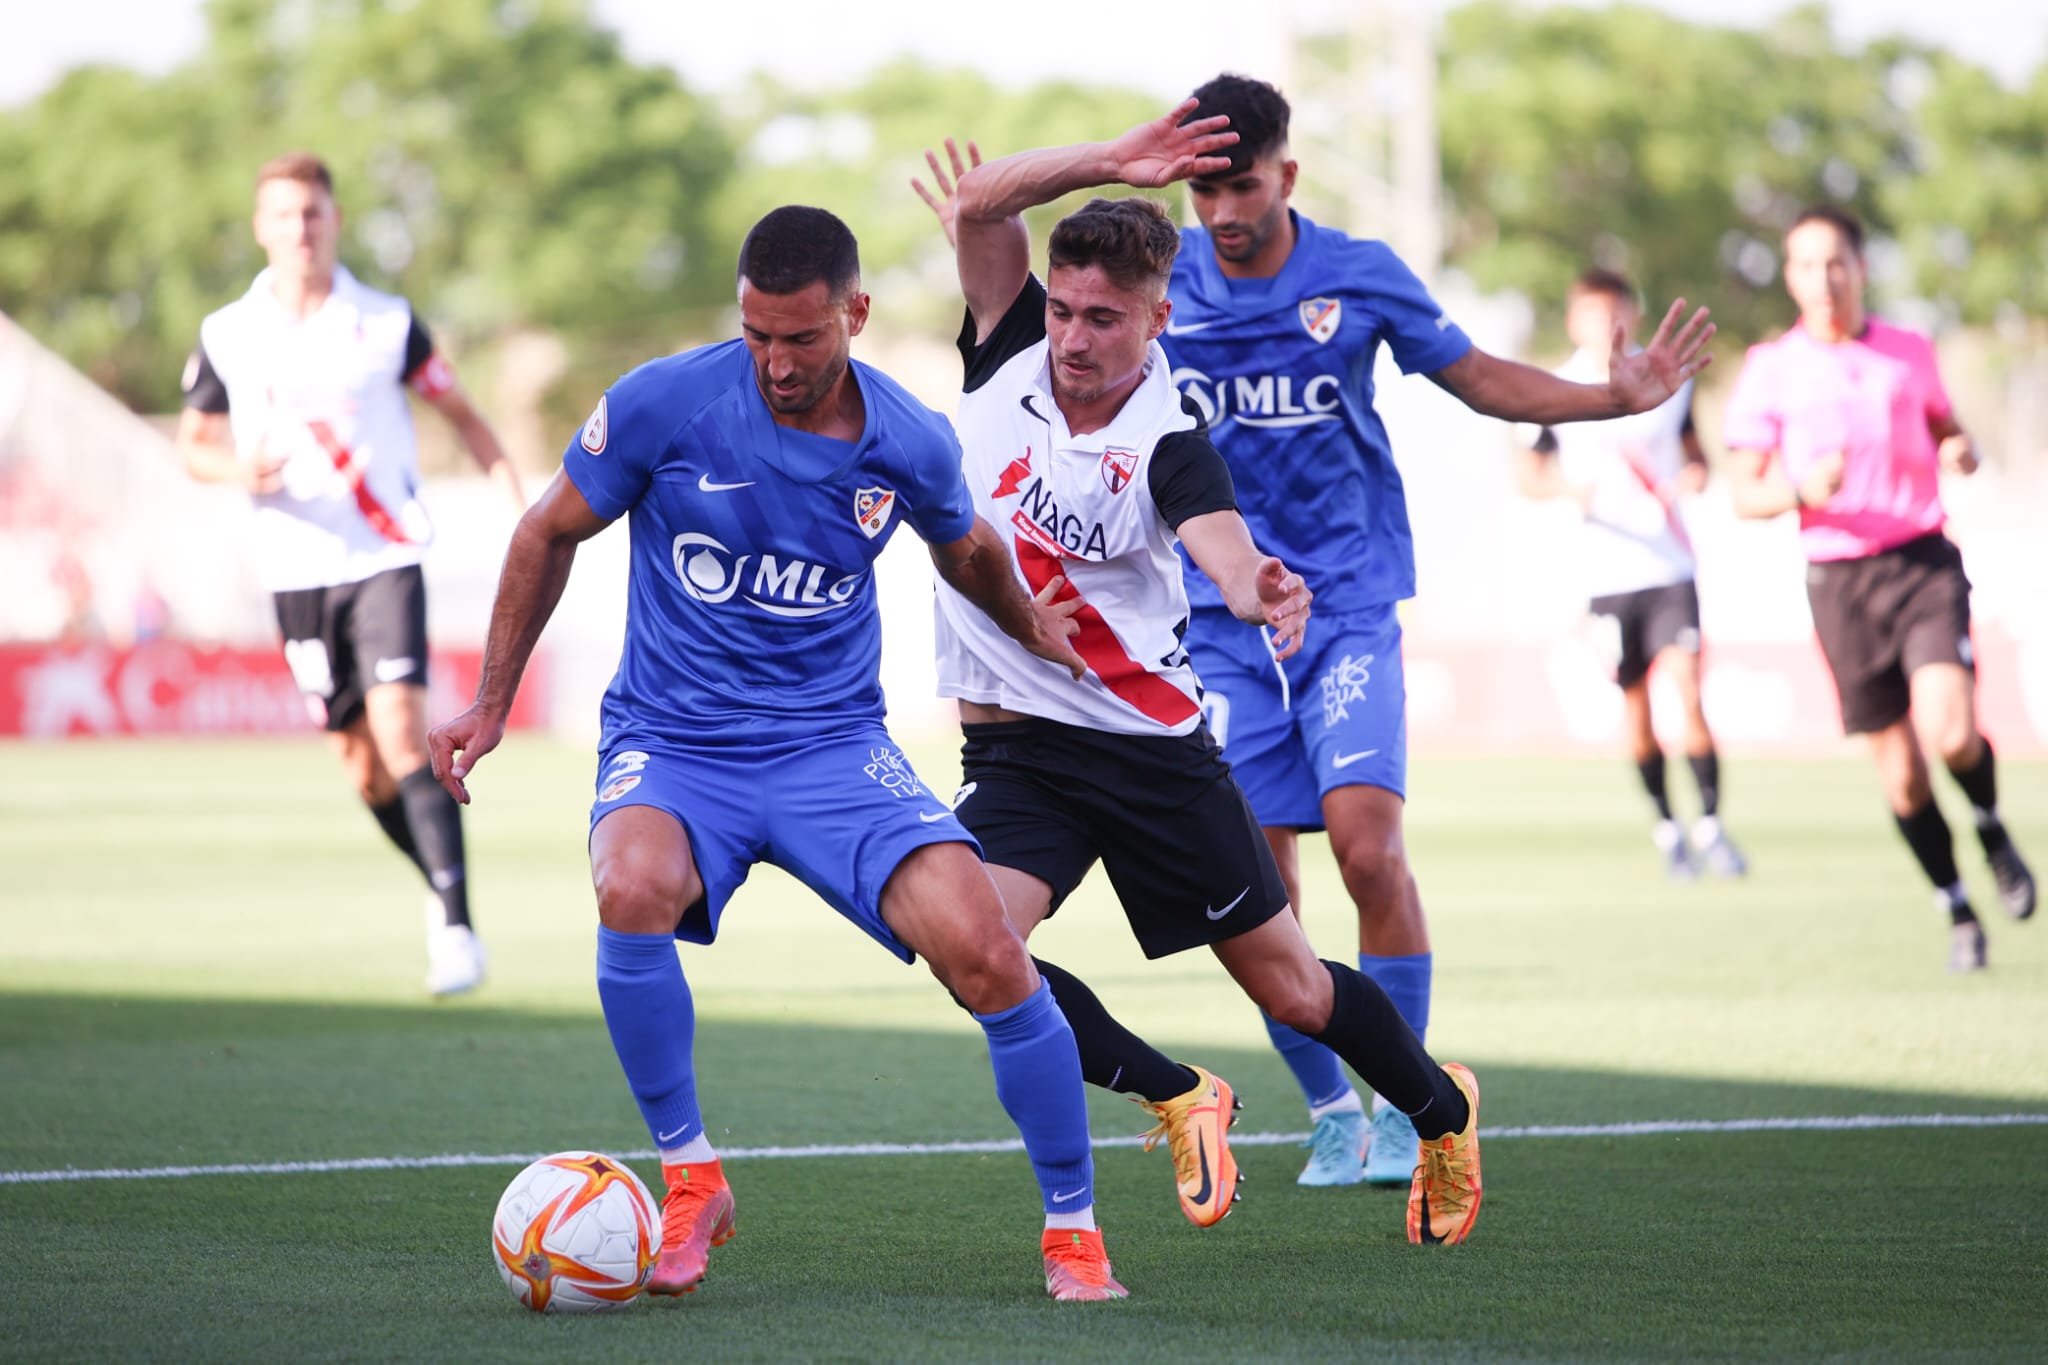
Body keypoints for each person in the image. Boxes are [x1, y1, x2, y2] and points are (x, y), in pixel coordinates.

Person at [427, 206, 1129, 1302]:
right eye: (756, 334)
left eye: (799, 338)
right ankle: (692, 1175)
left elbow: (967, 547)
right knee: (630, 884)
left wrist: (1029, 624)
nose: (774, 361)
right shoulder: (667, 402)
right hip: (673, 741)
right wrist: (489, 704)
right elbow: (543, 530)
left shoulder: (907, 437)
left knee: (989, 951)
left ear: (853, 314)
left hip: (830, 749)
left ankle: (1073, 1232)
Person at [911, 106, 1483, 1248]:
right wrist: (1112, 162)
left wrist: (1255, 587)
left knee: (1294, 993)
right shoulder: (1008, 346)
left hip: (1147, 755)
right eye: (1064, 310)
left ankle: (1439, 1113)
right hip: (1016, 749)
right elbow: (979, 206)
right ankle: (1176, 1093)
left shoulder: (1170, 436)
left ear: (1156, 319)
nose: (1074, 338)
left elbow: (1216, 538)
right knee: (971, 950)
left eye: (1105, 320)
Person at [1160, 74, 1712, 1187]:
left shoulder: (1357, 274)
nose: (1220, 210)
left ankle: (1403, 1098)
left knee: (1367, 847)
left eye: (1241, 185)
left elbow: (1479, 380)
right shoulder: (1156, 279)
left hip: (1349, 601)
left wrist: (1610, 398)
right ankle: (1328, 1111)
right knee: (1248, 891)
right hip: (1217, 620)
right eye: (1201, 187)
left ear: (1287, 175)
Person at [176, 152, 525, 997]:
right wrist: (238, 470)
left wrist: (526, 513)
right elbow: (192, 445)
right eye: (285, 215)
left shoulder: (386, 321)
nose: (301, 228)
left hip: (385, 555)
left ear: (334, 220)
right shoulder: (228, 331)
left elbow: (465, 415)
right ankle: (442, 884)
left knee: (404, 732)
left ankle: (455, 927)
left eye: (314, 213)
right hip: (295, 572)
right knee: (363, 766)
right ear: (261, 227)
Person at [1723, 204, 2034, 972]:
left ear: (1859, 268)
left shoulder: (1907, 350)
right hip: (1839, 580)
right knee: (1900, 774)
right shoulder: (1771, 368)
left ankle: (1991, 824)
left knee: (1953, 731)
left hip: (1921, 558)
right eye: (1805, 265)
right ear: (1790, 278)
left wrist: (1958, 449)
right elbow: (1743, 494)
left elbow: (1943, 427)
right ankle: (1957, 907)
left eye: (1837, 262)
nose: (1823, 278)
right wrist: (1800, 489)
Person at [1514, 268, 1748, 880]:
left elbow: (1697, 456)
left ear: (1632, 316)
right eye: (1589, 313)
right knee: (1638, 710)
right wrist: (1573, 489)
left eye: (1612, 313)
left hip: (1668, 563)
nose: (1601, 325)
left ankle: (1713, 825)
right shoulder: (1553, 387)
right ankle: (1669, 829)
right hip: (1606, 575)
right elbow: (1528, 473)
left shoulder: (1665, 378)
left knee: (1689, 690)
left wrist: (1692, 478)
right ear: (1572, 320)